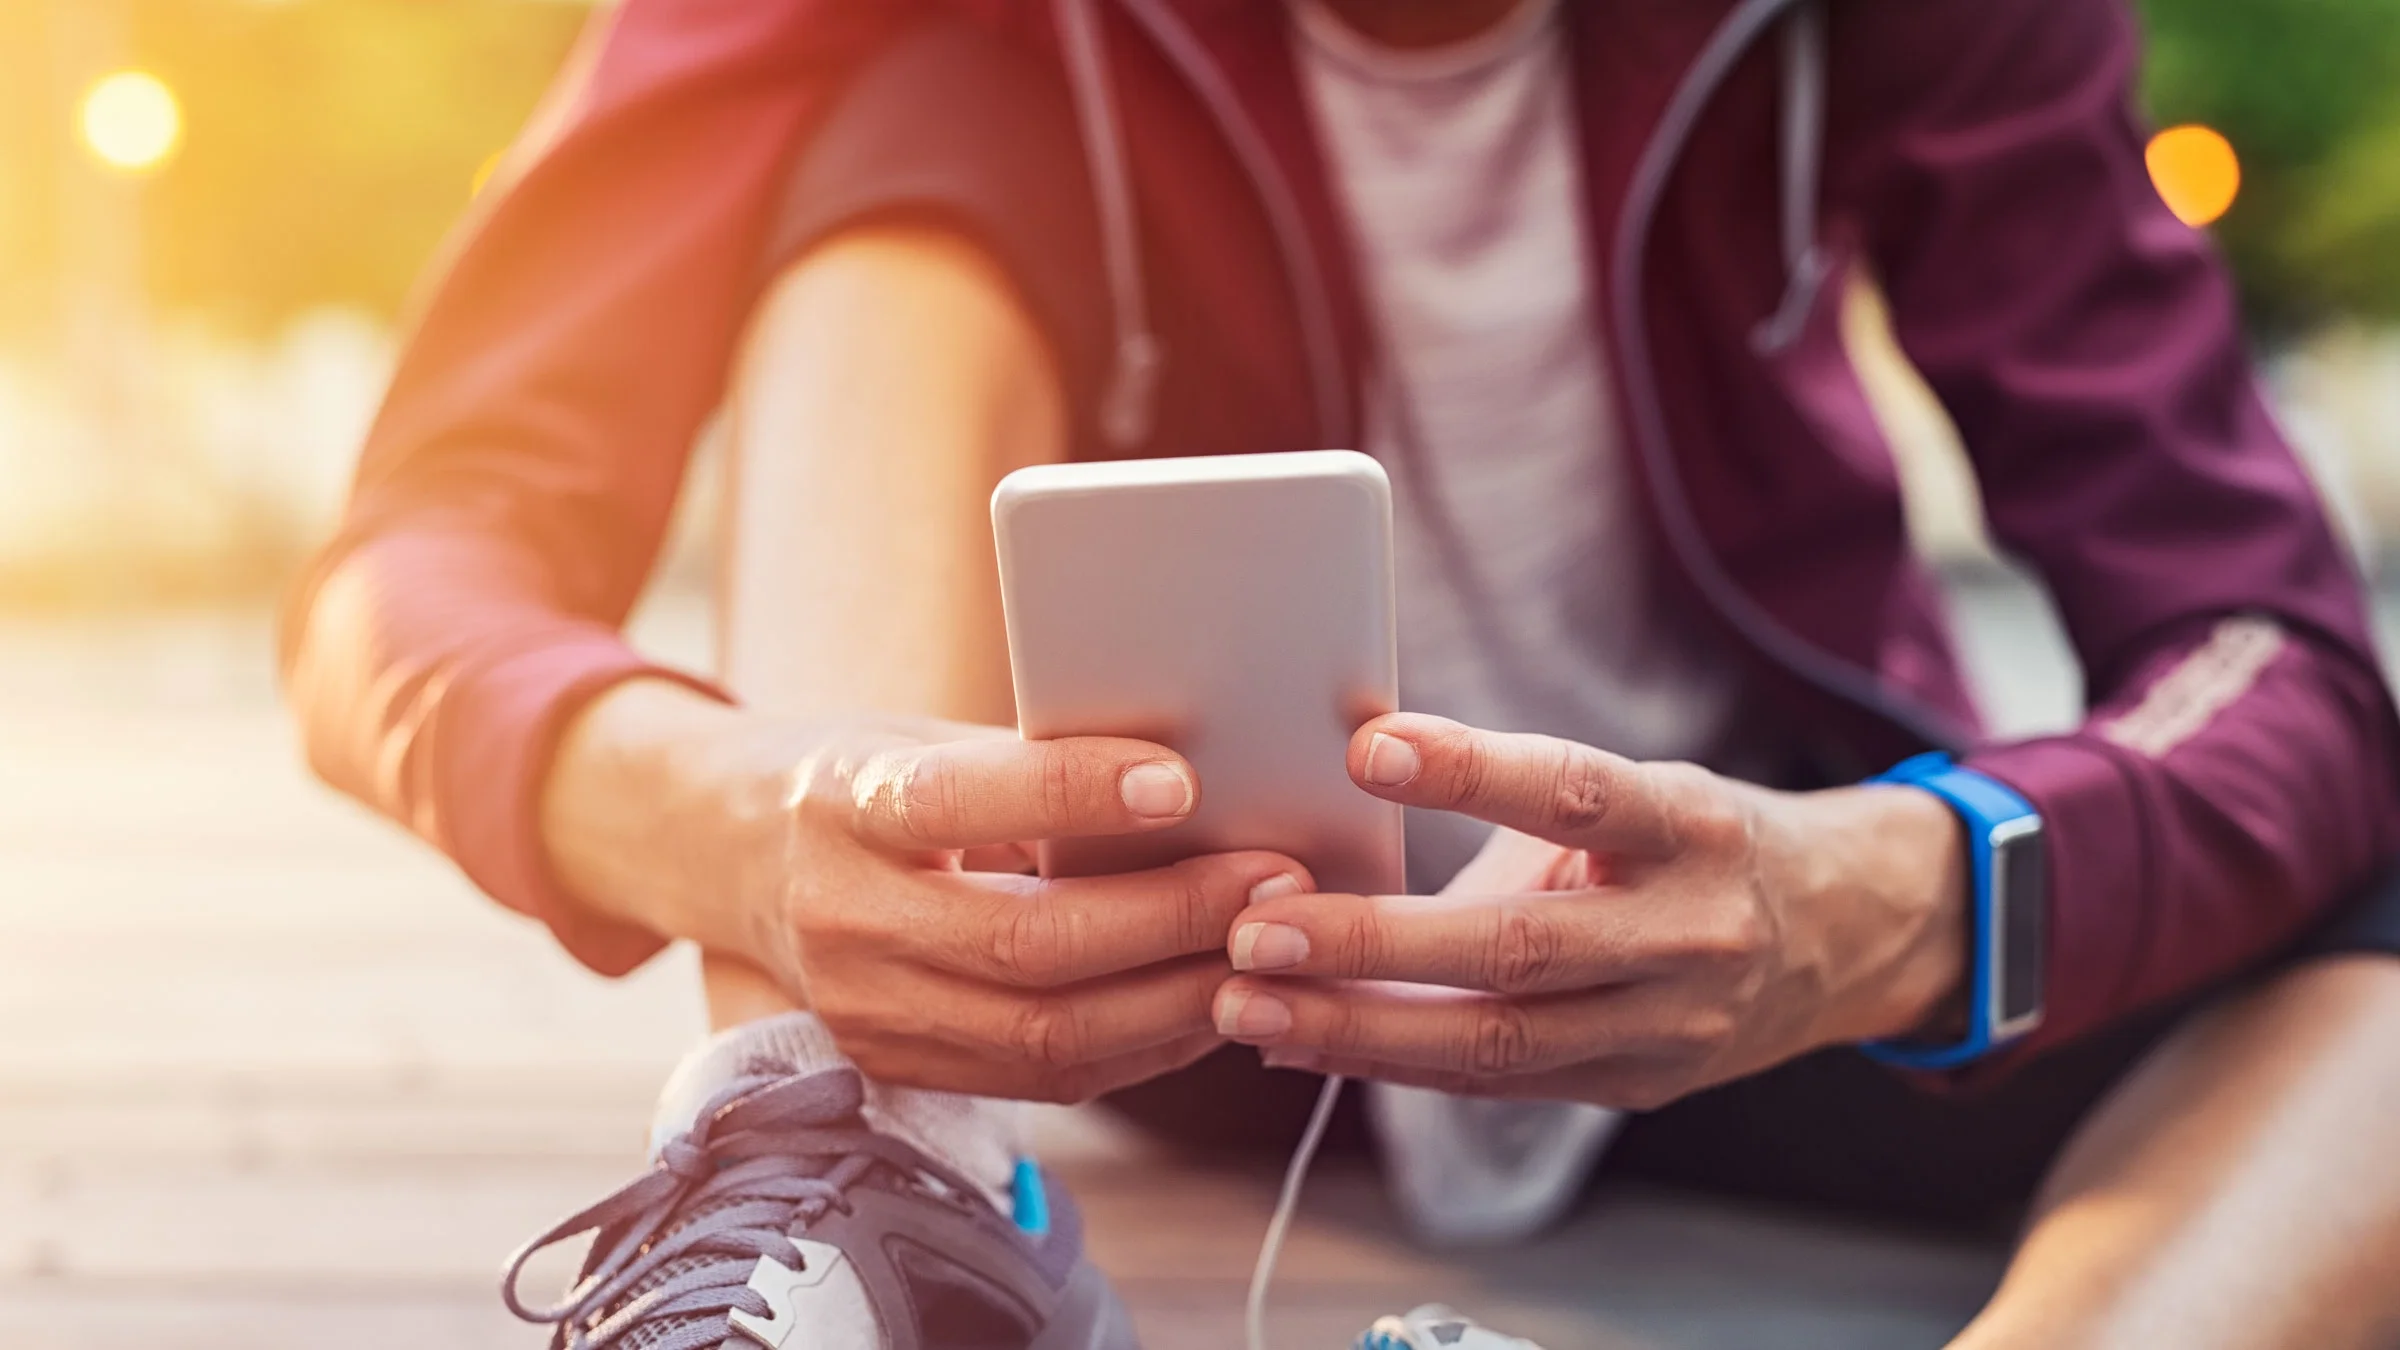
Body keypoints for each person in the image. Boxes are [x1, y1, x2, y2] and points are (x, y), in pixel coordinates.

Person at [282, 0, 2400, 1345]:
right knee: (907, 138)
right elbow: (406, 576)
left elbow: (2279, 662)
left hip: (1743, 955)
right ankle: (854, 1169)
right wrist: (743, 826)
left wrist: (1877, 900)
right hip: (1157, 979)